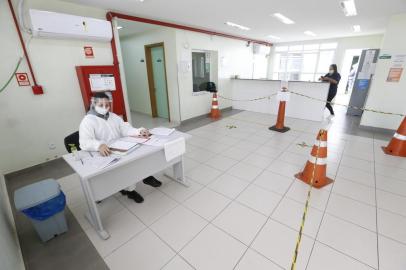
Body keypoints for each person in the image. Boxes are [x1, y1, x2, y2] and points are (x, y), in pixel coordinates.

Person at [79, 92, 162, 203]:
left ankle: (146, 177)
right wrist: (99, 145)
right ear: (93, 105)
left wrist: (139, 131)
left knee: (140, 157)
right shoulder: (88, 121)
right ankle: (129, 191)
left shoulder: (113, 116)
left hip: (121, 147)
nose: (105, 108)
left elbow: (125, 129)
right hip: (105, 153)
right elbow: (84, 141)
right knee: (125, 169)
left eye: (107, 105)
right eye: (101, 105)